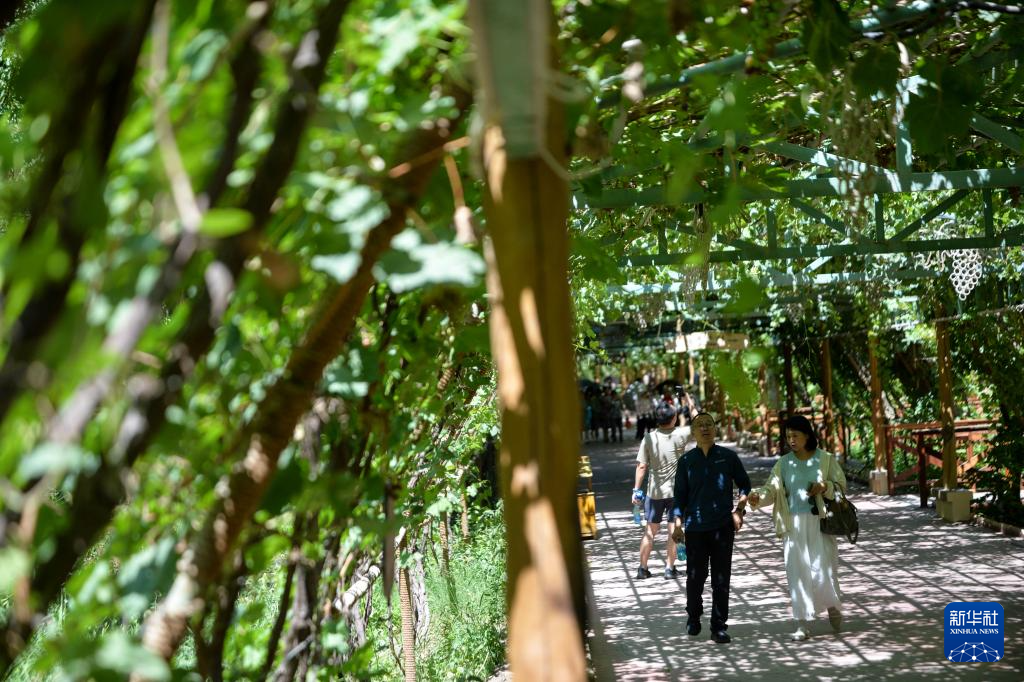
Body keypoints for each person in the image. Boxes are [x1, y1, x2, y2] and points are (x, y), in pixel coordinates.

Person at [747, 415, 846, 641]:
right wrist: (757, 498)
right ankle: (801, 622)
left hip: (820, 522)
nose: (791, 440)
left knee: (823, 569)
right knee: (797, 573)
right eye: (788, 436)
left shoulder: (825, 459)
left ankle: (832, 605)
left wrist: (825, 486)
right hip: (793, 525)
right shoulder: (783, 463)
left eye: (795, 435)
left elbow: (841, 487)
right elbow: (771, 489)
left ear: (807, 435)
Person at [672, 412, 751, 644]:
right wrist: (678, 525)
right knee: (695, 577)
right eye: (700, 425)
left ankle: (719, 626)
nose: (705, 428)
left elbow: (745, 485)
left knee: (721, 578)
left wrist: (739, 510)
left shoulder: (728, 457)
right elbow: (679, 497)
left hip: (722, 527)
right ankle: (693, 615)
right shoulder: (686, 461)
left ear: (715, 429)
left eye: (709, 424)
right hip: (695, 528)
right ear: (693, 432)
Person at [631, 402, 691, 580]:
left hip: (654, 493)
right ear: (674, 418)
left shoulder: (648, 438)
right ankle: (669, 568)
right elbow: (700, 421)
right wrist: (689, 401)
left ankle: (642, 568)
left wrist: (636, 490)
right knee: (673, 531)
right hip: (676, 493)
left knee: (650, 531)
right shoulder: (681, 434)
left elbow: (642, 466)